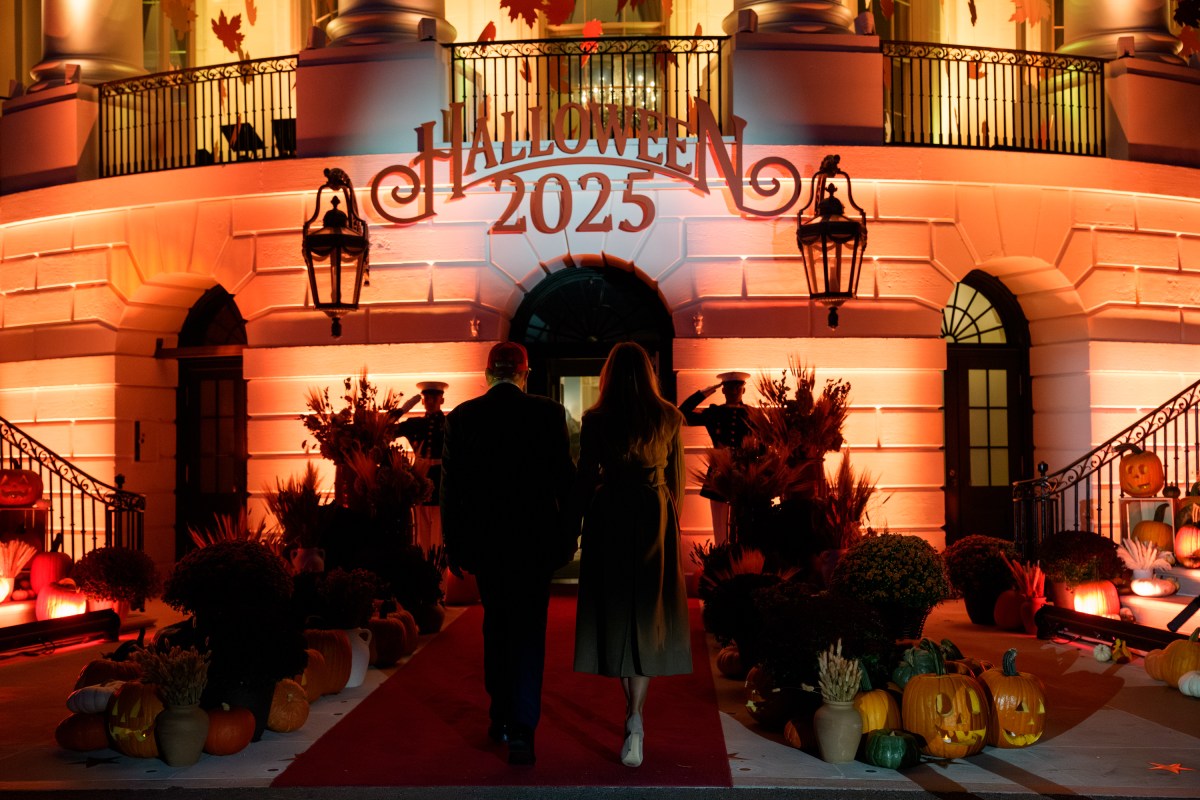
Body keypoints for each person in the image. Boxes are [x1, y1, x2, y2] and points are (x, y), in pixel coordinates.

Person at [439, 342, 576, 766]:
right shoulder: (548, 413)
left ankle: (499, 713)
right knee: (529, 633)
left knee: (496, 626)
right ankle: (522, 729)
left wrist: (454, 542)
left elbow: (451, 489)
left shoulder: (462, 417)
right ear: (524, 374)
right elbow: (566, 483)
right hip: (535, 543)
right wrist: (569, 536)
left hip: (487, 543)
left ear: (487, 375)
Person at [570, 342, 691, 768]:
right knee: (646, 613)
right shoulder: (669, 416)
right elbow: (677, 483)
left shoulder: (596, 419)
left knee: (618, 613)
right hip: (654, 515)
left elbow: (585, 478)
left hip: (610, 517)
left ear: (609, 375)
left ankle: (632, 714)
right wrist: (670, 527)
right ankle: (635, 715)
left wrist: (573, 526)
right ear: (648, 373)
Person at [678, 371, 752, 545]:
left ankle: (742, 557)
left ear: (744, 390)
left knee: (744, 524)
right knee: (719, 524)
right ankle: (720, 555)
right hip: (718, 470)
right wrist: (705, 392)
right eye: (729, 387)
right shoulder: (715, 413)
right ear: (723, 390)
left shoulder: (752, 413)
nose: (734, 391)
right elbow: (682, 413)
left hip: (746, 472)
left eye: (738, 387)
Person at [397, 381, 447, 552]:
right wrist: (400, 411)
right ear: (423, 401)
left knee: (439, 532)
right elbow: (387, 429)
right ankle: (422, 564)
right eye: (427, 398)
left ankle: (437, 567)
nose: (430, 401)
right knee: (420, 531)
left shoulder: (449, 424)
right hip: (419, 481)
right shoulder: (414, 424)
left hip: (440, 481)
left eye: (435, 398)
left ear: (442, 400)